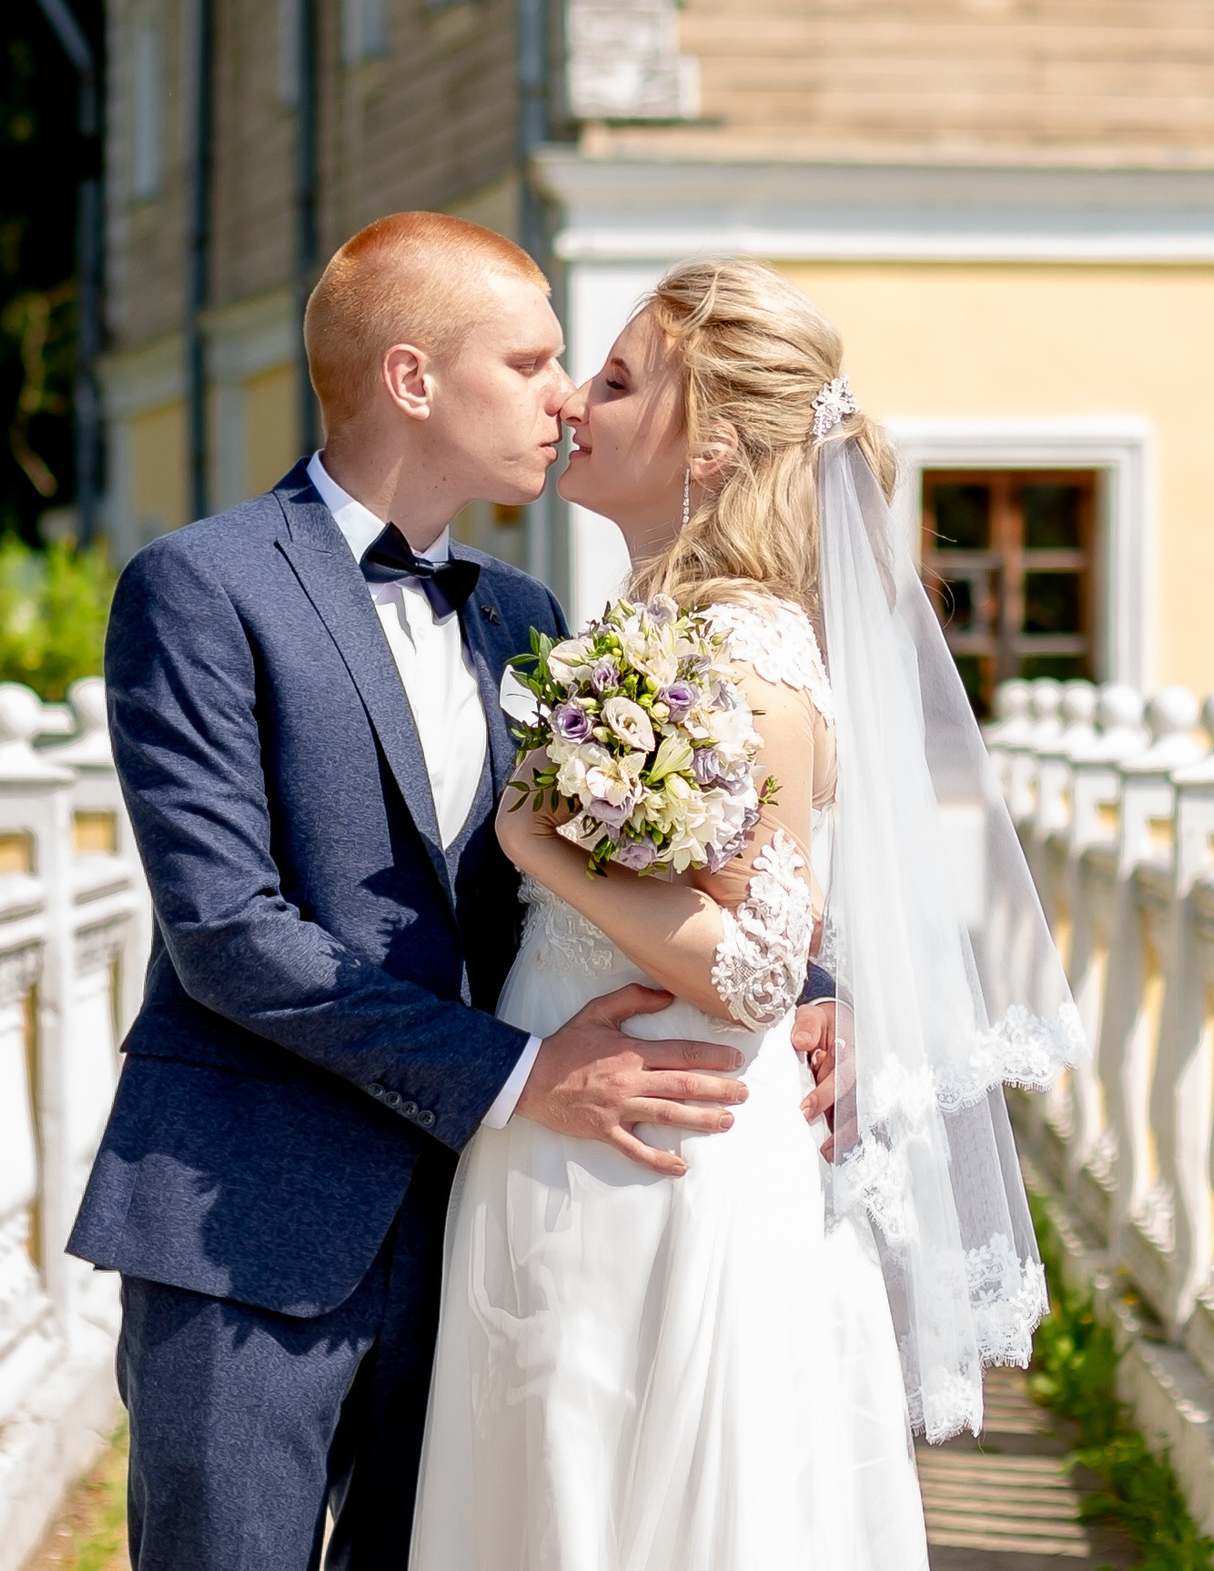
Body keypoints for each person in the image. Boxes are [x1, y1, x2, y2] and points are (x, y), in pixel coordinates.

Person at [67, 216, 848, 1570]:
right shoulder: (199, 587)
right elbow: (228, 936)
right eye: (535, 360)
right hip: (250, 1213)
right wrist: (520, 1074)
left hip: (484, 1233)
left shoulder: (532, 620)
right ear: (416, 380)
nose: (564, 396)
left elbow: (622, 880)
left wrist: (798, 988)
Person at [408, 257, 1081, 1570]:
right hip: (585, 1130)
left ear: (711, 444)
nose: (572, 407)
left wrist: (539, 840)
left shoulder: (739, 648)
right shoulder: (652, 625)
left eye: (612, 381)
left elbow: (764, 965)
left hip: (665, 1154)